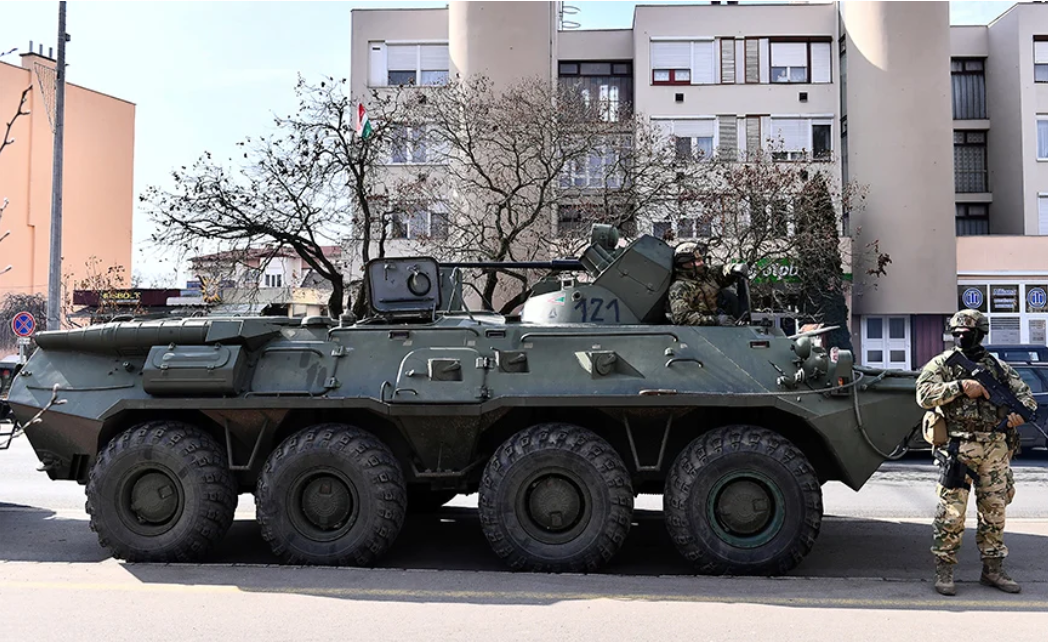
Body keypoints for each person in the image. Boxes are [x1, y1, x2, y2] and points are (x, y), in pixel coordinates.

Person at [915, 309, 1035, 596]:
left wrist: (1017, 417)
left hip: (995, 447)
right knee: (951, 513)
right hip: (959, 446)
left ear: (981, 334)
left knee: (995, 511)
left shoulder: (999, 368)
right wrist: (959, 386)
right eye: (956, 333)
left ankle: (993, 569)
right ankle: (944, 570)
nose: (960, 337)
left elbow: (1026, 399)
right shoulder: (943, 364)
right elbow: (923, 395)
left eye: (966, 333)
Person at [666, 241, 748, 326]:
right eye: (698, 260)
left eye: (701, 259)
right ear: (686, 264)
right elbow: (682, 317)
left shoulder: (706, 275)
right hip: (701, 329)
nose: (702, 263)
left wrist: (732, 268)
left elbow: (720, 271)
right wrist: (715, 320)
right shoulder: (679, 287)